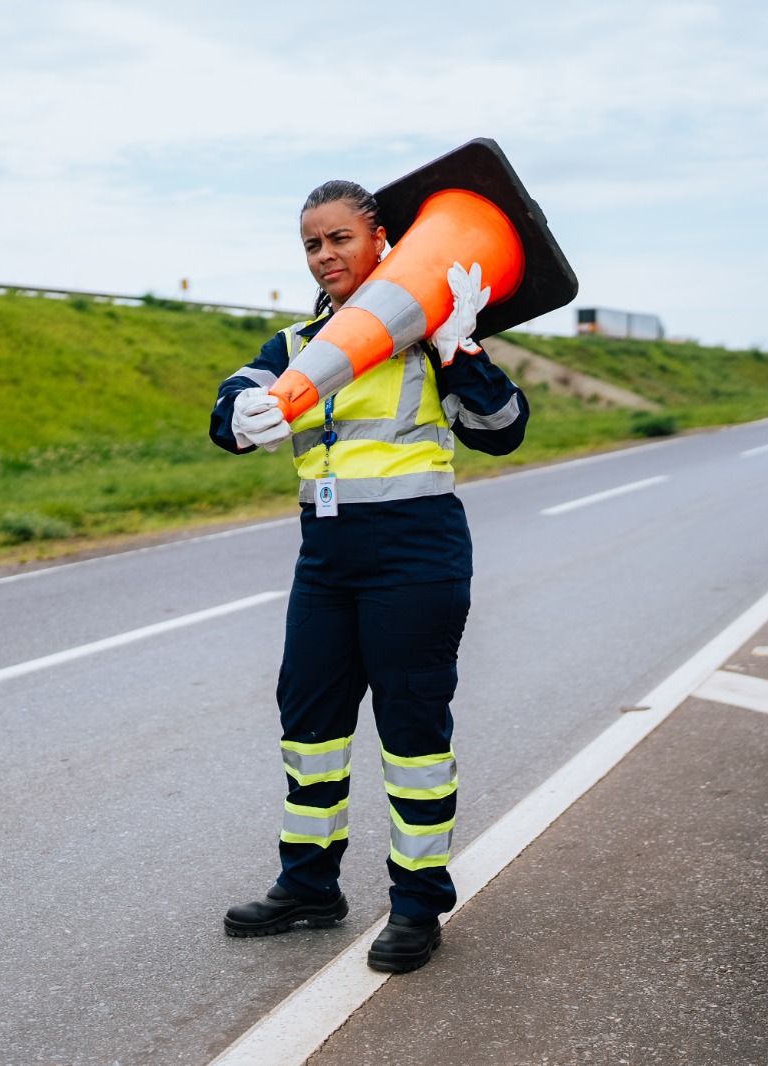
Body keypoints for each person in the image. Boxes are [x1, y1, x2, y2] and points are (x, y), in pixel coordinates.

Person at [209, 179, 529, 973]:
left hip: (416, 554)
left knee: (413, 735)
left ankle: (418, 904)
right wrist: (238, 416)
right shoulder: (292, 346)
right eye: (312, 245)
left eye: (339, 239)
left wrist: (462, 349)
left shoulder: (430, 330)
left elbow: (503, 431)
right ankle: (310, 886)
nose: (324, 256)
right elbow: (234, 403)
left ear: (381, 239)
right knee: (308, 729)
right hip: (326, 559)